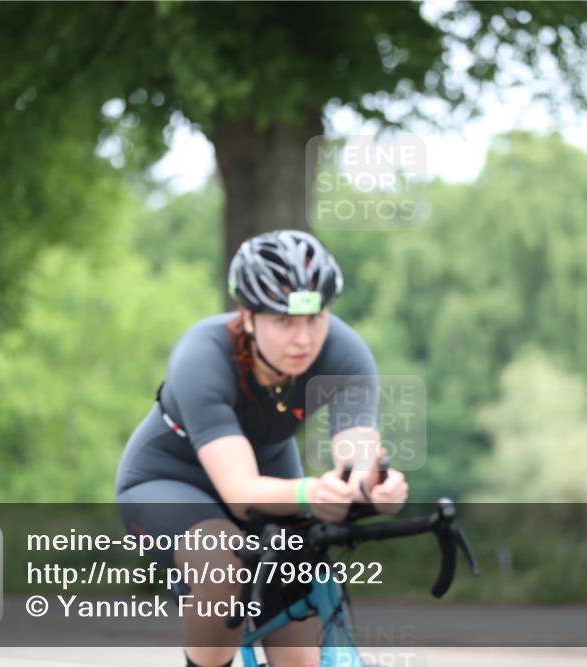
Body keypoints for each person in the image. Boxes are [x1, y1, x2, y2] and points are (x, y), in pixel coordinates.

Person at [115, 229, 409, 667]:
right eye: (283, 321)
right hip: (169, 480)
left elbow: (357, 456)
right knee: (222, 565)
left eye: (315, 319)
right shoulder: (202, 356)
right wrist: (311, 493)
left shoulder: (345, 355)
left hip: (272, 476)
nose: (304, 340)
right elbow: (239, 491)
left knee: (299, 609)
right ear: (248, 318)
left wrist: (377, 487)